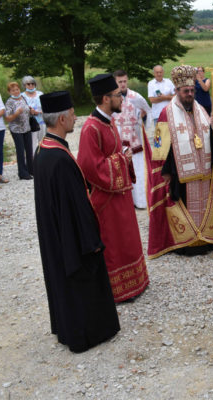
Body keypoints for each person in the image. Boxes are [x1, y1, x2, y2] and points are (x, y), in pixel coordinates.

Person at [33, 90, 120, 353]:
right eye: (72, 114)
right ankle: (88, 333)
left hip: (55, 234)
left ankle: (67, 328)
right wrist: (91, 240)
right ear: (61, 119)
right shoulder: (59, 158)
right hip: (71, 238)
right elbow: (75, 206)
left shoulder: (44, 149)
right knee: (80, 280)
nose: (75, 119)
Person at [77, 74, 149, 302]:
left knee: (127, 239)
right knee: (115, 243)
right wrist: (121, 160)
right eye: (118, 95)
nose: (122, 99)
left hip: (120, 195)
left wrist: (122, 157)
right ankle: (118, 290)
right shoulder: (91, 128)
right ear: (106, 98)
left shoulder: (109, 121)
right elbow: (89, 166)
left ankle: (135, 282)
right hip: (106, 199)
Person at [145, 65, 213, 258]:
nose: (190, 94)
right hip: (179, 172)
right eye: (186, 91)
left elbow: (212, 141)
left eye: (192, 90)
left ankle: (206, 239)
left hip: (203, 172)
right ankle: (186, 243)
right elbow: (160, 148)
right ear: (177, 91)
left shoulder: (201, 110)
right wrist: (165, 171)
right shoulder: (166, 113)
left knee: (204, 205)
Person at [112, 69, 153, 209]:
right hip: (118, 136)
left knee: (138, 168)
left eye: (125, 81)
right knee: (120, 168)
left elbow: (147, 112)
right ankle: (125, 202)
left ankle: (140, 201)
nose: (123, 84)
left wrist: (143, 117)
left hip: (134, 138)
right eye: (120, 82)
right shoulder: (111, 98)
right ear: (115, 82)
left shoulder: (136, 97)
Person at [4, 81, 33, 180]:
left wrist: (31, 111)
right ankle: (22, 173)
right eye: (13, 90)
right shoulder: (9, 102)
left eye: (17, 89)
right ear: (9, 92)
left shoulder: (23, 98)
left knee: (29, 149)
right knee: (20, 150)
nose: (16, 92)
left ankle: (31, 169)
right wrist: (16, 114)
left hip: (27, 128)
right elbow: (7, 118)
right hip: (16, 129)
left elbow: (27, 111)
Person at [21, 76, 45, 154]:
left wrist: (38, 112)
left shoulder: (40, 94)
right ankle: (33, 159)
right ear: (24, 85)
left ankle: (43, 158)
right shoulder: (22, 96)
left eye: (32, 83)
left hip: (42, 121)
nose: (31, 85)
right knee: (32, 143)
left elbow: (46, 107)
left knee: (43, 141)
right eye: (28, 84)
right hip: (29, 123)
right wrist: (29, 112)